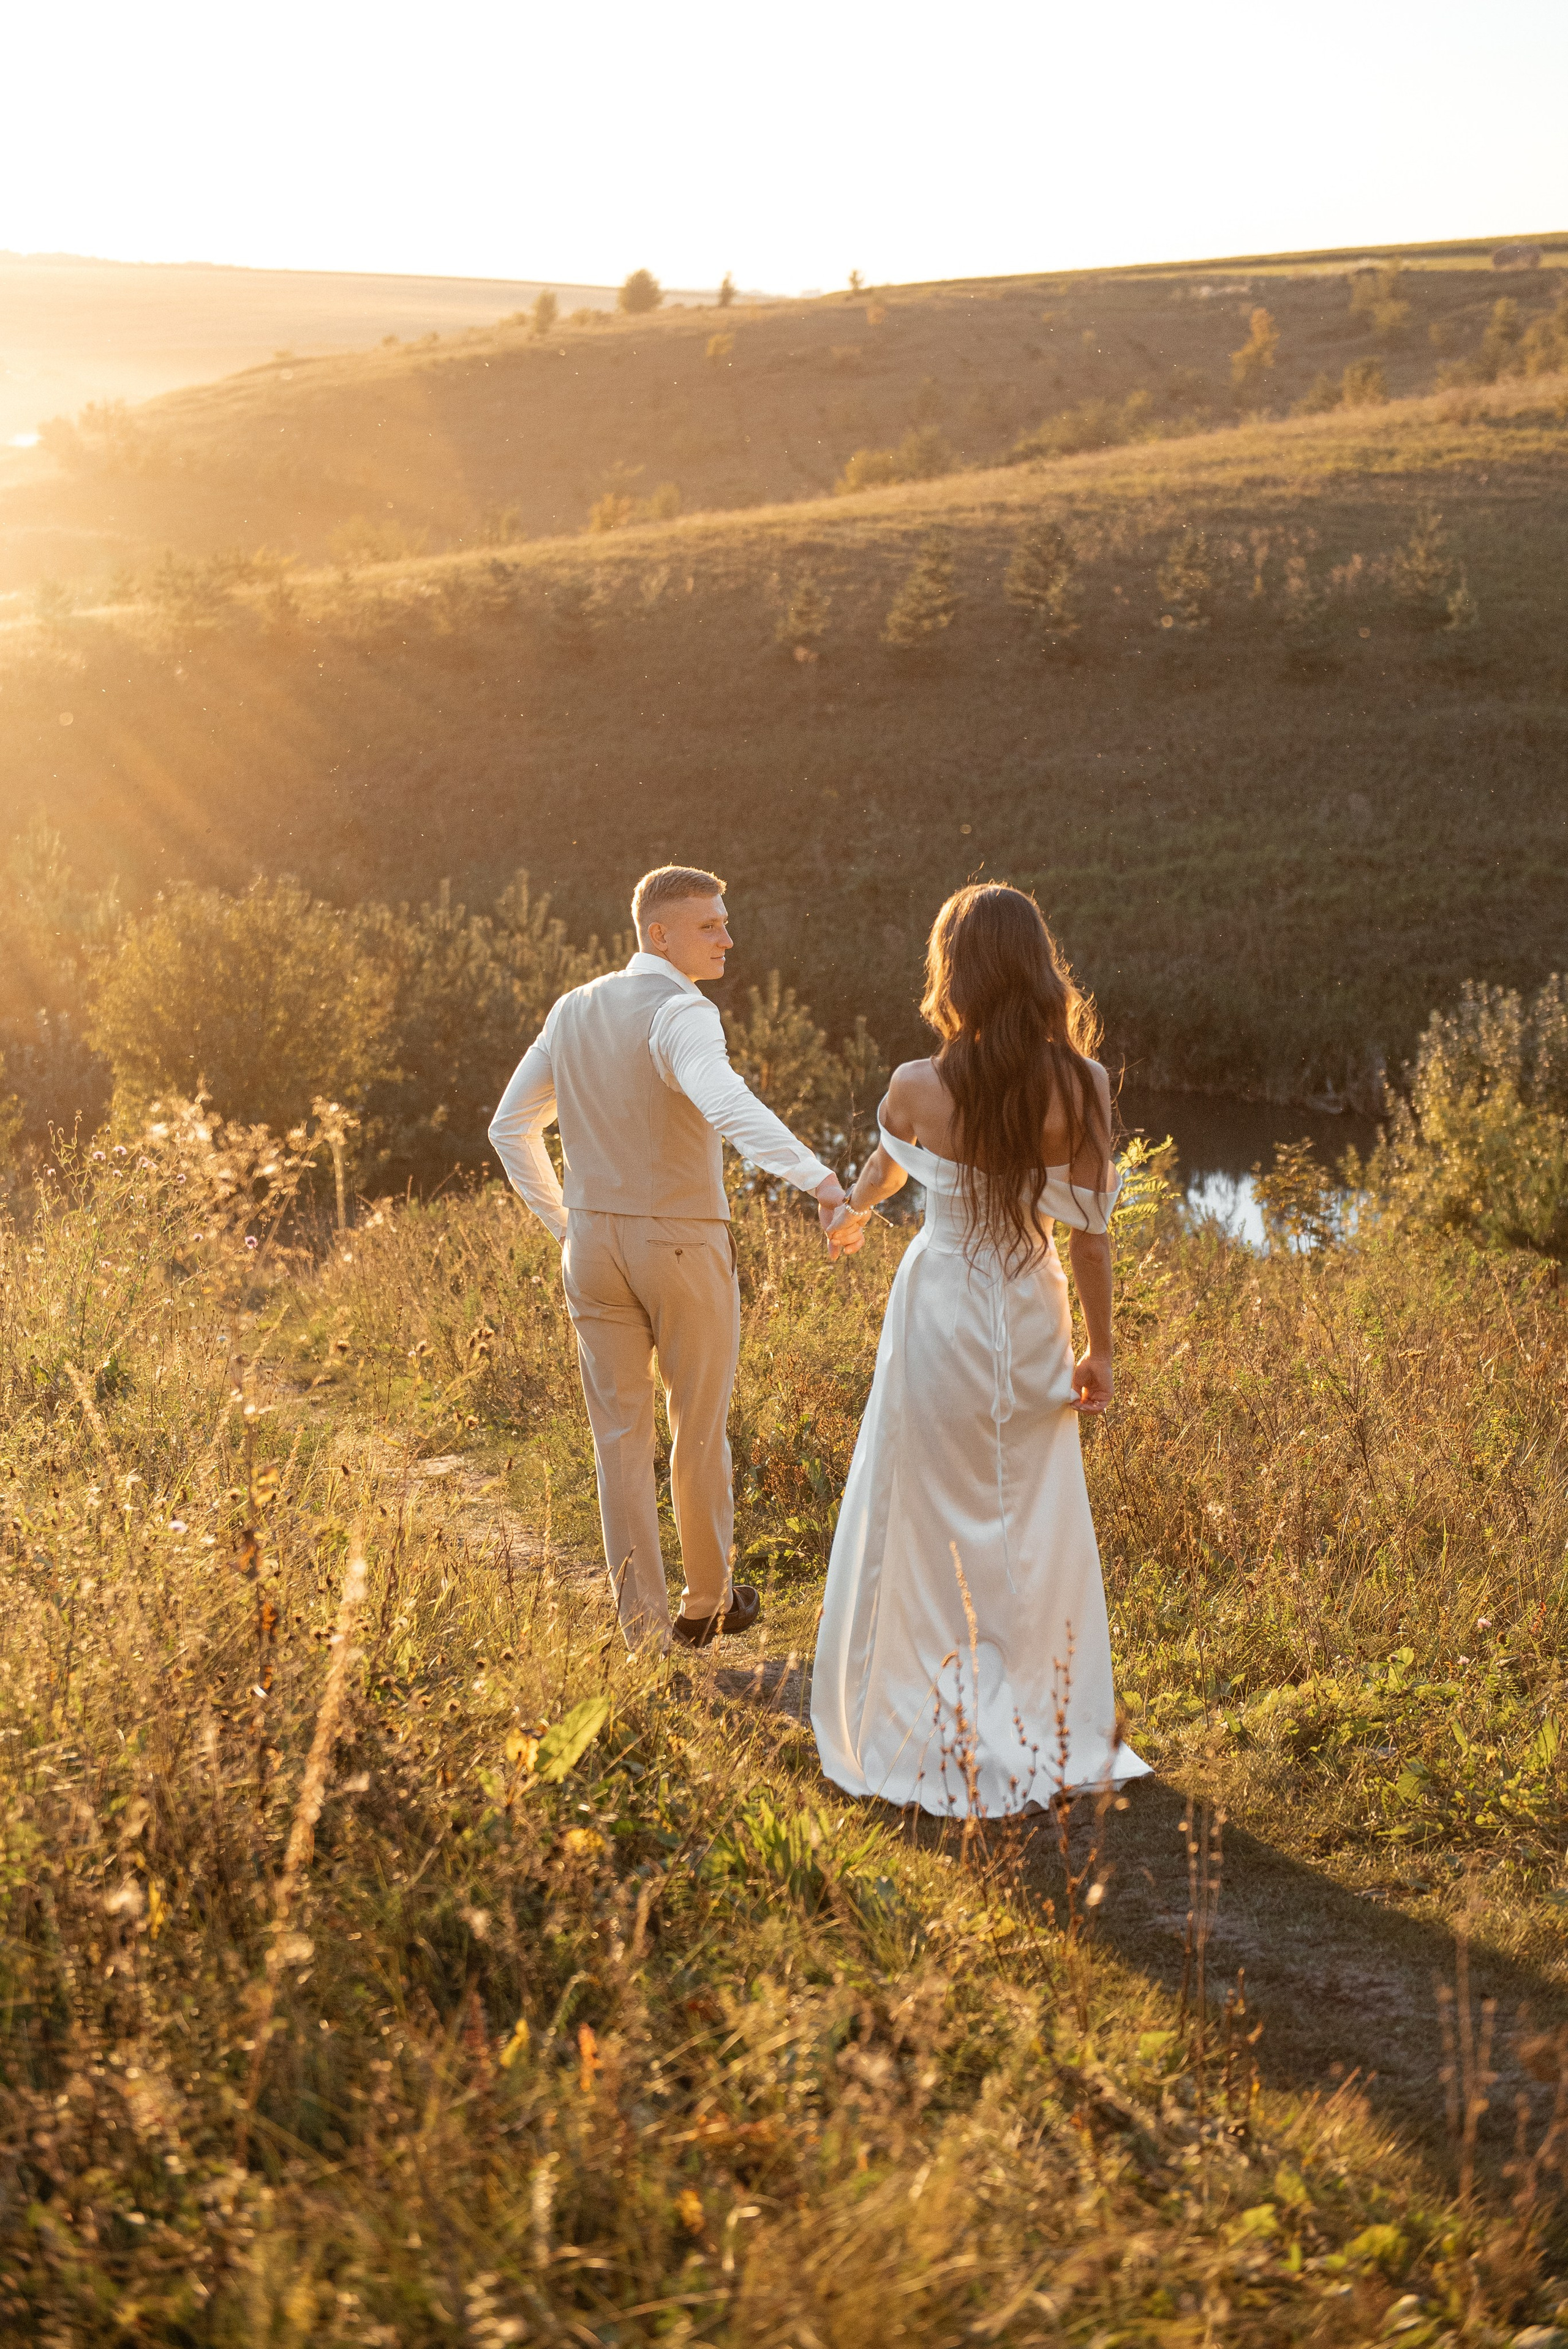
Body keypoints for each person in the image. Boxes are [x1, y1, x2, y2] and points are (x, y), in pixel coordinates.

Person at [812, 884, 1150, 1816]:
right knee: (1029, 1513)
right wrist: (1102, 1348)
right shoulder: (1081, 1085)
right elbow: (1089, 1235)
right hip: (1028, 1305)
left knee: (921, 1504)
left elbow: (884, 1165)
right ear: (1039, 966)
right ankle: (1042, 1709)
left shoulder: (917, 1084)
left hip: (940, 1303)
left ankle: (925, 1704)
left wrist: (850, 1212)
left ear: (952, 970)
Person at [488, 864, 854, 1650]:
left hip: (591, 1246)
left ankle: (644, 1631)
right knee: (697, 1425)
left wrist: (565, 1223)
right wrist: (820, 1180)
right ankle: (708, 1599)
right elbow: (723, 1101)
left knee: (618, 1439)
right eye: (708, 926)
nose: (728, 938)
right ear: (658, 932)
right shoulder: (683, 1013)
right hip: (682, 1243)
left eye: (724, 923)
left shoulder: (573, 1008)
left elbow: (509, 1127)